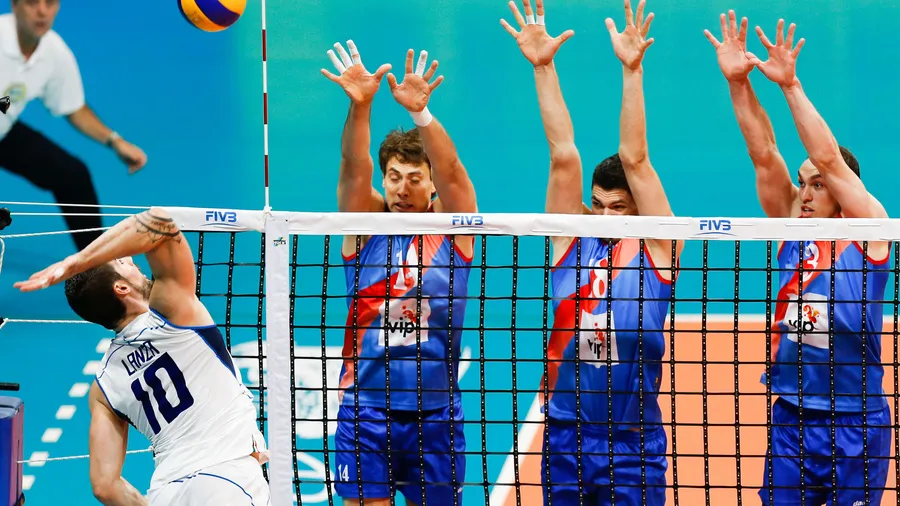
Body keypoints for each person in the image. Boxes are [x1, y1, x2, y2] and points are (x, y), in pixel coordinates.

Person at [706, 11, 892, 505]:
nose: (805, 194)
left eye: (819, 185)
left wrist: (790, 86)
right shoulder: (792, 222)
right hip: (792, 415)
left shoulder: (869, 229)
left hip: (855, 419)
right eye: (802, 183)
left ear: (844, 193)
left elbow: (829, 158)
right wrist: (738, 84)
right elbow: (764, 153)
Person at [501, 0, 681, 504]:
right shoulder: (571, 240)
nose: (604, 217)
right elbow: (563, 156)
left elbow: (636, 160)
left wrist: (632, 71)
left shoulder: (659, 248)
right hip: (566, 437)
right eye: (597, 205)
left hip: (633, 445)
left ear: (639, 210)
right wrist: (543, 68)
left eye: (618, 208)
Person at [14, 207, 270, 506]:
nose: (133, 260)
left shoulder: (103, 386)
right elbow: (159, 223)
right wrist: (76, 263)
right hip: (227, 477)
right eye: (123, 261)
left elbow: (105, 485)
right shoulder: (174, 314)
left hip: (166, 493)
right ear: (121, 288)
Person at [320, 40, 478, 505]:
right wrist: (360, 107)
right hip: (366, 410)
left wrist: (420, 114)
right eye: (393, 177)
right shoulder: (364, 225)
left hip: (436, 414)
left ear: (431, 186)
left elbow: (453, 169)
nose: (402, 189)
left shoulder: (454, 228)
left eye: (414, 179)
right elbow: (353, 167)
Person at [0, 0, 147, 251]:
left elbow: (73, 107)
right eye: (32, 2)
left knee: (73, 176)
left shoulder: (53, 51)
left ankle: (96, 266)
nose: (42, 11)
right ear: (15, 5)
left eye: (50, 3)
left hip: (4, 131)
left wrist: (115, 141)